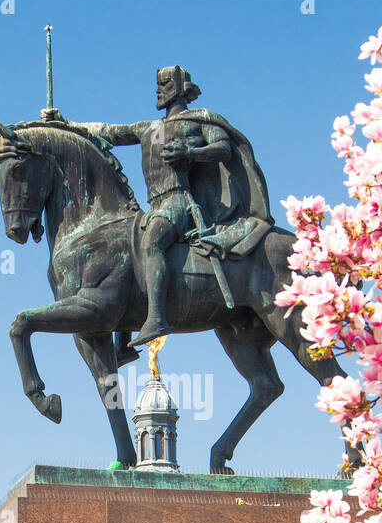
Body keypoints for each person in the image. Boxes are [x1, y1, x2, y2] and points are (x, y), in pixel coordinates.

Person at [70, 66, 272, 352]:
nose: (158, 89)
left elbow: (223, 148)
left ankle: (156, 319)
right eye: (158, 84)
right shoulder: (147, 129)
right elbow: (108, 132)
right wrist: (65, 124)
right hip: (154, 204)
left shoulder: (199, 120)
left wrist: (190, 153)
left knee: (151, 243)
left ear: (180, 88)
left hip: (180, 201)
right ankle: (124, 340)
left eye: (164, 84)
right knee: (124, 251)